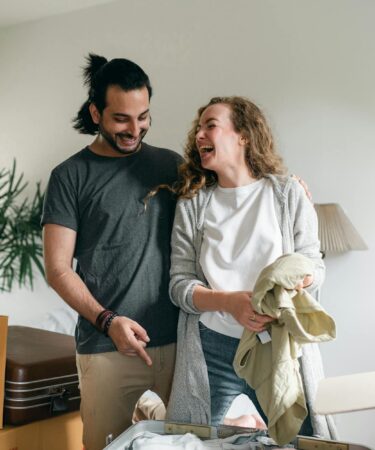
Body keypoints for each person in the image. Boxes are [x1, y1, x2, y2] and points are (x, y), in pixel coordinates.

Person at [166, 96, 337, 439]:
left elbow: (315, 268)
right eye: (198, 128)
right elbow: (179, 286)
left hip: (278, 348)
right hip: (210, 350)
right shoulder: (193, 204)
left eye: (210, 125)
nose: (199, 135)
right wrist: (230, 303)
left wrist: (291, 286)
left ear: (243, 134)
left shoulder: (288, 193)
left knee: (303, 442)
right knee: (190, 442)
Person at [41, 54, 183, 450]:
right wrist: (108, 320)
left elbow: (229, 195)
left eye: (143, 116)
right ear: (95, 112)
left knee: (191, 444)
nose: (134, 129)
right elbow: (57, 269)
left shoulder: (170, 165)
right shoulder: (69, 176)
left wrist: (284, 185)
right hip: (105, 347)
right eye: (121, 118)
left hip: (178, 343)